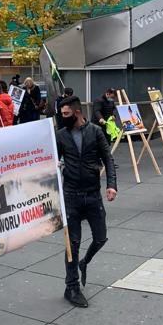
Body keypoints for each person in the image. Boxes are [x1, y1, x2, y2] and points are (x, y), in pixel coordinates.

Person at [55, 95, 118, 307]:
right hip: (71, 194)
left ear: (77, 112)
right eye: (61, 114)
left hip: (92, 194)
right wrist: (55, 164)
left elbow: (108, 158)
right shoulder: (61, 135)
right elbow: (51, 157)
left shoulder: (95, 131)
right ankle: (71, 287)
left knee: (101, 238)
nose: (62, 117)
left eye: (66, 114)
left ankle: (85, 262)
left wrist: (111, 184)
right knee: (72, 244)